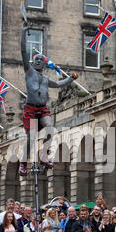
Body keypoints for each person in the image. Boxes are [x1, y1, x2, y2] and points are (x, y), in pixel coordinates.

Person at [19, 21, 77, 176]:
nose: (38, 61)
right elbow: (23, 51)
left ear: (44, 64)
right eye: (36, 59)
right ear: (33, 62)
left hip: (42, 109)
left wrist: (71, 79)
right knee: (31, 137)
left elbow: (58, 84)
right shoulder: (28, 71)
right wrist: (23, 31)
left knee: (51, 128)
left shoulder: (45, 79)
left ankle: (44, 156)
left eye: (41, 60)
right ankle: (23, 163)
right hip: (30, 109)